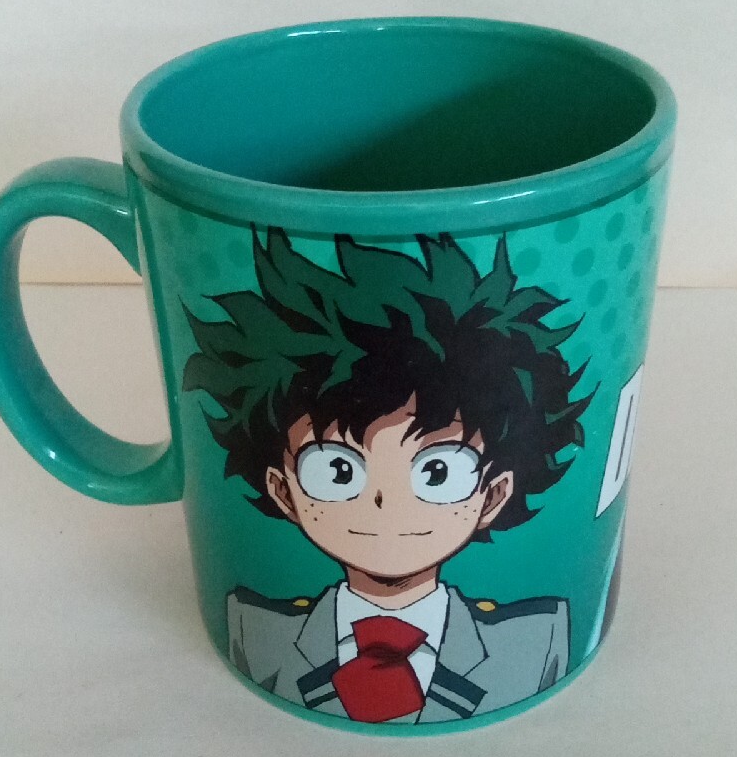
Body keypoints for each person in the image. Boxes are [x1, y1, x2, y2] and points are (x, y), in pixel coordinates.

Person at [183, 230, 594, 724]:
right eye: (337, 470)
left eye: (437, 471)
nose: (384, 500)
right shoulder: (253, 631)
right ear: (283, 490)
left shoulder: (536, 641)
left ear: (493, 495)